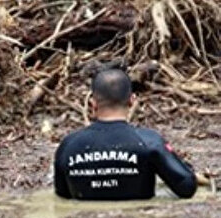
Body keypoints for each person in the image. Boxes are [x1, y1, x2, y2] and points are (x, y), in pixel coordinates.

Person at [54, 68, 200, 200]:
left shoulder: (68, 145)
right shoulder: (149, 142)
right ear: (132, 100)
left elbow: (62, 195)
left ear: (93, 104)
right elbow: (187, 187)